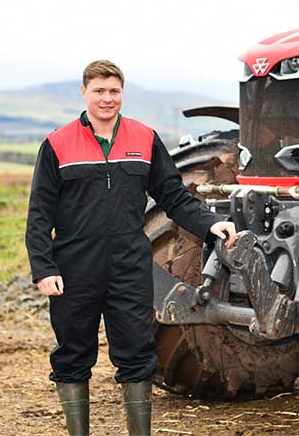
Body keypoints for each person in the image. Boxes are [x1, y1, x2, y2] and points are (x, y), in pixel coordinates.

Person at [25, 60, 237, 436]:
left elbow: (174, 197)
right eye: (99, 91)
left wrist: (209, 224)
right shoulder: (58, 144)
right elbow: (39, 214)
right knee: (73, 354)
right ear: (84, 93)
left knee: (138, 353)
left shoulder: (144, 138)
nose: (107, 98)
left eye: (114, 91)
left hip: (129, 265)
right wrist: (44, 268)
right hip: (74, 267)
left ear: (122, 93)